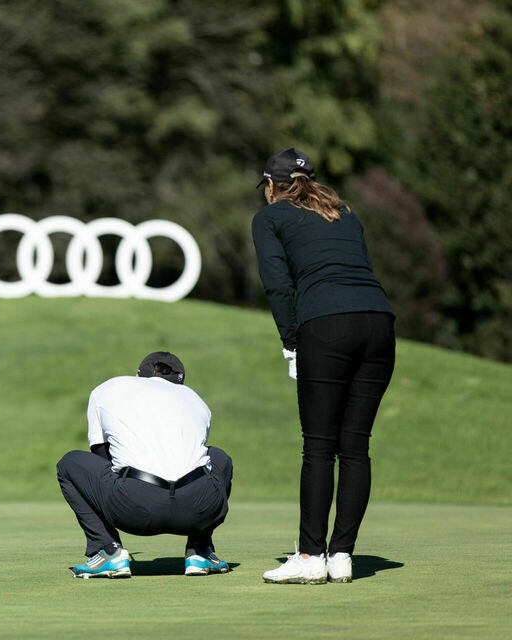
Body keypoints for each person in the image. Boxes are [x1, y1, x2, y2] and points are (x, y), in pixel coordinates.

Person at [251, 148, 396, 584]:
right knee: (354, 446)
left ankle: (312, 557)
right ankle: (343, 556)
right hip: (379, 323)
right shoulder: (344, 213)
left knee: (318, 446)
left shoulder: (269, 218)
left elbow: (278, 287)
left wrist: (292, 344)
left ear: (272, 185)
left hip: (327, 326)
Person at [56, 351, 233, 579]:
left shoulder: (106, 389)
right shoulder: (195, 399)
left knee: (70, 463)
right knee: (219, 457)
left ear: (138, 376)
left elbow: (101, 459)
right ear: (180, 381)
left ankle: (108, 550)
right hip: (198, 508)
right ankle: (200, 549)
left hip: (134, 509)